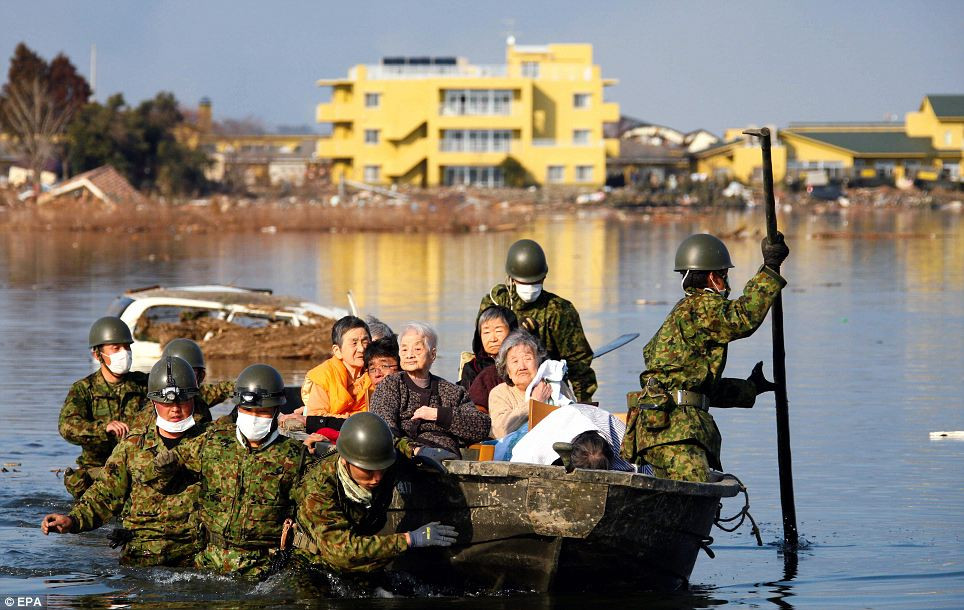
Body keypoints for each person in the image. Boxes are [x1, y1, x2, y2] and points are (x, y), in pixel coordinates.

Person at [620, 233, 790, 482]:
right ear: (714, 277)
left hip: (659, 430)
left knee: (674, 502)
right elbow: (744, 317)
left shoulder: (683, 313)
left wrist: (750, 388)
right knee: (693, 496)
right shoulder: (702, 306)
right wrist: (770, 268)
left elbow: (693, 389)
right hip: (678, 433)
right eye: (724, 274)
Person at [146, 364, 311, 579]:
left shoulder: (294, 456)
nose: (253, 418)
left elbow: (313, 514)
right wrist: (163, 466)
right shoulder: (213, 442)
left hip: (264, 568)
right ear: (238, 409)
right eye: (247, 410)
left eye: (261, 412)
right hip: (208, 564)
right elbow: (161, 483)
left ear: (275, 412)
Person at [41, 356, 207, 567]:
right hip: (142, 557)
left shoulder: (212, 444)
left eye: (182, 400)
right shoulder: (131, 447)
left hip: (195, 558)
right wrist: (72, 521)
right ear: (154, 402)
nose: (174, 408)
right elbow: (103, 496)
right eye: (166, 401)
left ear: (194, 399)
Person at [291, 412, 457, 576]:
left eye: (382, 469)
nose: (377, 479)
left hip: (363, 560)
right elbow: (341, 552)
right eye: (368, 472)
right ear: (345, 461)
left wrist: (416, 451)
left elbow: (386, 443)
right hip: (315, 565)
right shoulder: (318, 490)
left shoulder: (377, 463)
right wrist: (409, 539)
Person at [479, 239, 597, 403]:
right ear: (512, 279)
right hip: (499, 383)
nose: (530, 287)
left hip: (546, 385)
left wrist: (586, 401)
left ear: (544, 278)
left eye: (536, 282)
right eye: (523, 282)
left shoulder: (559, 310)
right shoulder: (496, 303)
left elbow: (578, 362)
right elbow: (482, 348)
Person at [59, 316, 149, 498]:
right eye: (116, 348)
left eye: (127, 347)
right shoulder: (84, 389)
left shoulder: (145, 384)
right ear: (97, 354)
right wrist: (103, 429)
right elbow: (67, 427)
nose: (124, 352)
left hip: (137, 469)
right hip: (97, 472)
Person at [369, 322, 490, 456]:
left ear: (433, 354)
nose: (409, 355)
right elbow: (382, 427)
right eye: (404, 350)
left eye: (417, 349)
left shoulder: (452, 391)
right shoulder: (390, 385)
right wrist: (413, 450)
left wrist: (438, 414)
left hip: (443, 461)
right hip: (402, 459)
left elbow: (482, 426)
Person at [301, 336, 399, 454]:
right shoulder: (375, 395)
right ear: (337, 350)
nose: (377, 374)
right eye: (372, 368)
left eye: (384, 366)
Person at [281, 316, 373, 438]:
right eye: (354, 343)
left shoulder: (376, 374)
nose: (361, 348)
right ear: (337, 351)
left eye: (365, 342)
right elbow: (315, 418)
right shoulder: (324, 376)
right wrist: (353, 417)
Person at [509, 402, 635, 471]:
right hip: (566, 419)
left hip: (595, 418)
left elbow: (646, 473)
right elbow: (516, 469)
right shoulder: (537, 448)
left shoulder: (623, 441)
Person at [487, 329, 552, 439]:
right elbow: (500, 431)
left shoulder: (553, 386)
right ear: (507, 370)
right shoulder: (499, 393)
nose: (522, 366)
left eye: (528, 358)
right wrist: (533, 403)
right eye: (515, 361)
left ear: (539, 363)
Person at [461, 306, 518, 411]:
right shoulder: (472, 368)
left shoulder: (523, 364)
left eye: (499, 331)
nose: (493, 339)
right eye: (486, 332)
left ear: (513, 333)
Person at [163, 337, 234, 412]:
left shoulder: (198, 397)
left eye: (189, 374)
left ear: (201, 376)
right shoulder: (151, 399)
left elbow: (223, 389)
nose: (181, 380)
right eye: (176, 373)